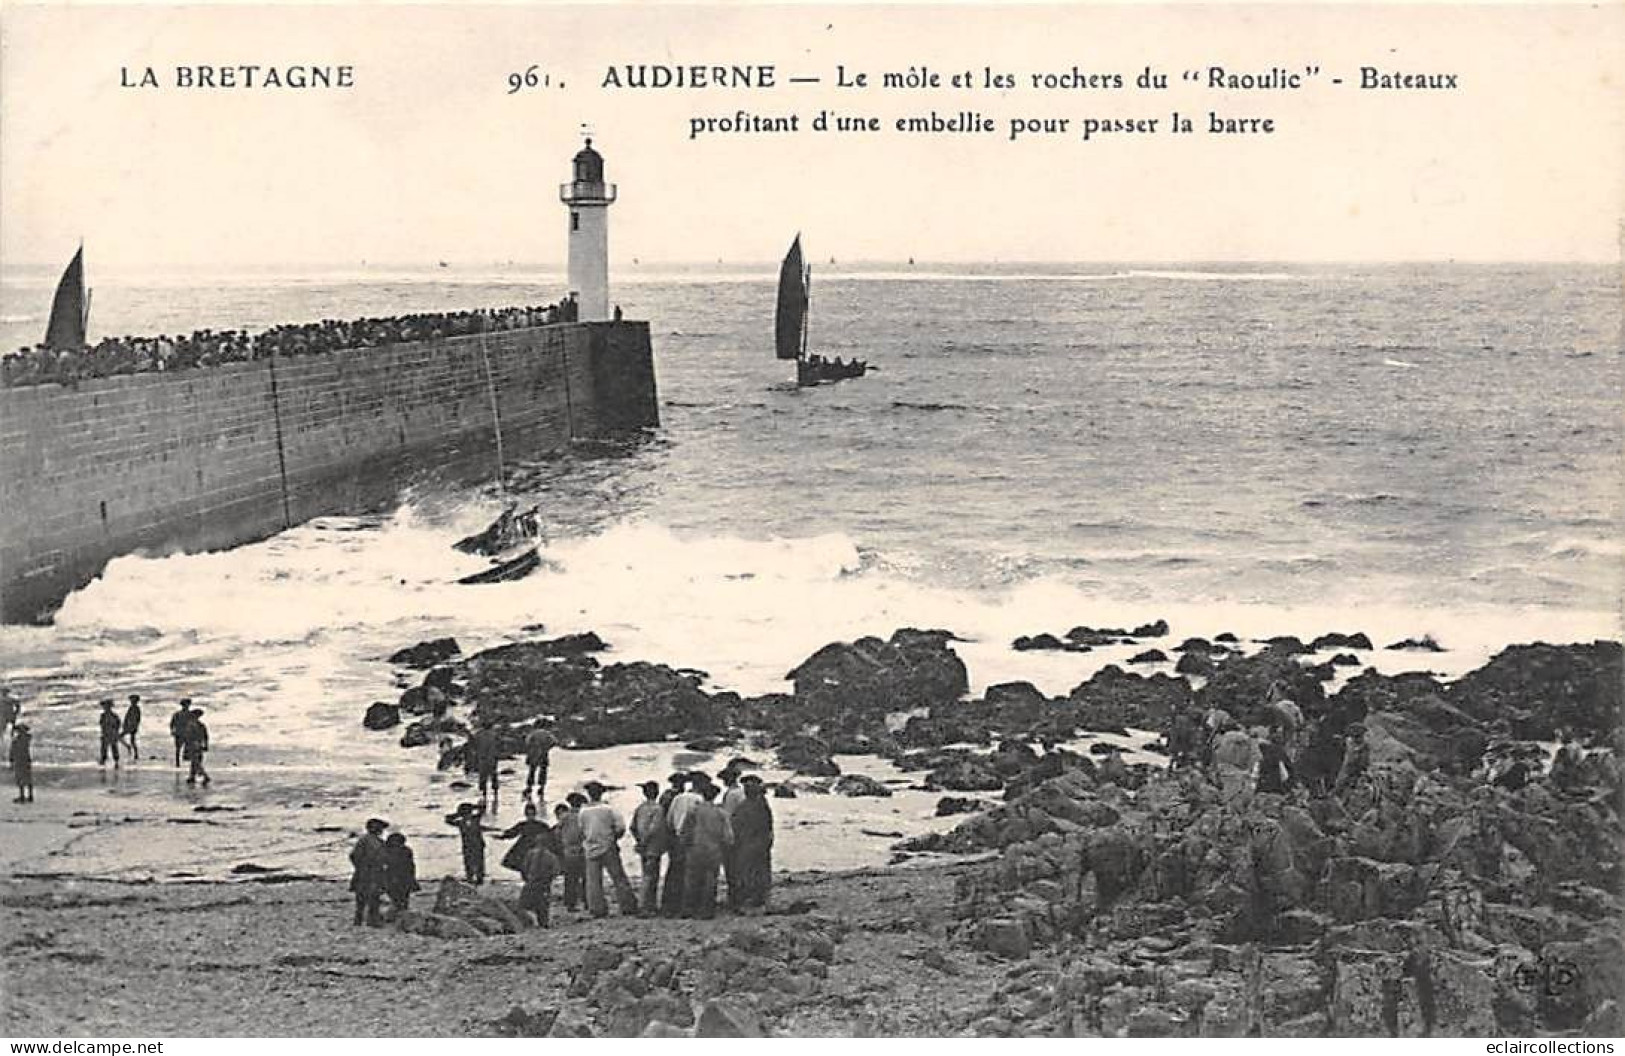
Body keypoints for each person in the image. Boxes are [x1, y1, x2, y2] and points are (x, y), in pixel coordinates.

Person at [579, 780, 638, 917]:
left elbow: (582, 829)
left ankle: (597, 908)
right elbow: (620, 827)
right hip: (608, 845)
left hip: (590, 846)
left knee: (593, 881)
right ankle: (627, 905)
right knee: (618, 877)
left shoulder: (583, 812)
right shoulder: (609, 809)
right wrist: (614, 837)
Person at [679, 782, 734, 919]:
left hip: (695, 848)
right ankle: (707, 910)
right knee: (710, 880)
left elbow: (684, 831)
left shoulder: (693, 811)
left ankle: (689, 909)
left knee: (692, 879)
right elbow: (728, 837)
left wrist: (685, 844)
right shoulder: (721, 813)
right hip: (713, 850)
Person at [730, 775, 774, 913]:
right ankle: (759, 899)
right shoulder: (762, 805)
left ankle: (749, 900)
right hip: (759, 843)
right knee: (760, 872)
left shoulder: (744, 807)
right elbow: (768, 826)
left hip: (748, 845)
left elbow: (736, 826)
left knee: (746, 873)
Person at [631, 780, 671, 917]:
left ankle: (649, 905)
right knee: (651, 876)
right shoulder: (658, 809)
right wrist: (645, 841)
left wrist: (639, 840)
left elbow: (632, 827)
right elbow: (655, 828)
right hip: (653, 846)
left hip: (643, 846)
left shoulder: (640, 808)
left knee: (647, 875)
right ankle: (644, 906)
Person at [348, 818, 389, 926]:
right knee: (366, 897)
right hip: (367, 872)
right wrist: (362, 866)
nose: (381, 830)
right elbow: (354, 856)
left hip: (373, 872)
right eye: (379, 828)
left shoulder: (378, 842)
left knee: (371, 897)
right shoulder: (365, 840)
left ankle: (368, 919)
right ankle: (363, 919)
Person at [497, 801, 551, 877]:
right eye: (528, 814)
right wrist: (501, 836)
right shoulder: (523, 825)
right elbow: (511, 833)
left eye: (532, 814)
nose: (530, 817)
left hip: (535, 847)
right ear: (525, 815)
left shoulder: (542, 826)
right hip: (523, 849)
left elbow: (549, 836)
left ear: (535, 814)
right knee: (523, 867)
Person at [717, 769, 746, 906]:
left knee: (732, 868)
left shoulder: (732, 794)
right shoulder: (740, 792)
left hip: (732, 833)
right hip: (741, 832)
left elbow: (728, 816)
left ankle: (735, 898)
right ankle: (738, 897)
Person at [445, 802, 489, 885]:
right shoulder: (461, 822)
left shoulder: (475, 819)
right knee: (468, 861)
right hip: (467, 845)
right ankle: (470, 877)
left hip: (478, 844)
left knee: (479, 862)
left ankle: (480, 878)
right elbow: (447, 819)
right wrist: (457, 814)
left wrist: (474, 807)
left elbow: (482, 809)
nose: (466, 815)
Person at [555, 797, 586, 911]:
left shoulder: (564, 817)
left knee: (570, 878)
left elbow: (557, 834)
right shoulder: (584, 816)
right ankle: (586, 901)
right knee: (585, 877)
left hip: (568, 850)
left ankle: (570, 903)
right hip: (582, 849)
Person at [382, 832, 420, 917]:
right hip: (404, 877)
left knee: (396, 897)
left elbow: (386, 864)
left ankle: (397, 913)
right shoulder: (406, 850)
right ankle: (401, 913)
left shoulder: (388, 850)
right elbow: (411, 866)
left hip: (394, 877)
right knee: (403, 898)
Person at [523, 725, 557, 801]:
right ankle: (541, 788)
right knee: (543, 772)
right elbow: (554, 742)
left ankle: (529, 787)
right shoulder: (547, 734)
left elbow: (527, 743)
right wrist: (546, 748)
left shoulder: (533, 734)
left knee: (532, 772)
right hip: (543, 755)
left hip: (533, 755)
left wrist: (531, 749)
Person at [470, 725, 501, 803]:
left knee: (483, 776)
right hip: (492, 758)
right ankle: (495, 792)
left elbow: (473, 746)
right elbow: (500, 745)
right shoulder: (495, 734)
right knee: (494, 775)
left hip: (482, 758)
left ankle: (483, 794)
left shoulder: (478, 734)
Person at [183, 709, 211, 785]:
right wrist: (206, 745)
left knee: (195, 761)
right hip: (199, 744)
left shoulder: (190, 725)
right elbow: (206, 736)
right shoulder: (201, 725)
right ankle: (192, 777)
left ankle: (205, 775)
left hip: (192, 744)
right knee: (195, 761)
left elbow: (187, 736)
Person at [10, 722, 34, 803]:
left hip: (19, 760)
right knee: (27, 778)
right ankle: (30, 796)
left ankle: (22, 796)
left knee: (20, 778)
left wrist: (11, 760)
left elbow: (13, 751)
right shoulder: (26, 739)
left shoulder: (17, 741)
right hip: (26, 760)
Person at [170, 699, 195, 768]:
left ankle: (182, 762)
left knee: (186, 748)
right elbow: (172, 723)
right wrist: (172, 730)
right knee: (178, 749)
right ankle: (178, 763)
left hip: (185, 733)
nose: (187, 706)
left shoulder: (179, 714)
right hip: (180, 733)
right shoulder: (179, 714)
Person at [97, 700, 122, 768]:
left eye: (106, 706)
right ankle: (103, 760)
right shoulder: (103, 715)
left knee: (113, 747)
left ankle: (116, 761)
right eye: (104, 706)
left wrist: (115, 731)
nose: (105, 708)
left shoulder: (113, 716)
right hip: (106, 733)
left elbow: (118, 724)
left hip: (111, 733)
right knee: (104, 748)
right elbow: (101, 724)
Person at [122, 695, 143, 760]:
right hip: (129, 726)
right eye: (131, 700)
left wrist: (135, 726)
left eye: (133, 700)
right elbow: (126, 717)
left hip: (132, 727)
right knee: (132, 741)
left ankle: (131, 750)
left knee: (121, 737)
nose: (132, 701)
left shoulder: (136, 708)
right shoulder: (131, 708)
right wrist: (125, 724)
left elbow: (138, 719)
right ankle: (134, 752)